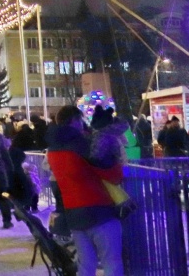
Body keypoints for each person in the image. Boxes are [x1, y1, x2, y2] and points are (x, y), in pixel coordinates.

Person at [47, 104, 124, 276]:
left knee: (86, 264)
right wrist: (114, 159)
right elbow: (113, 176)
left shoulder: (52, 149)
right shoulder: (82, 145)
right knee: (111, 261)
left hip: (74, 214)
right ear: (74, 120)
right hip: (99, 211)